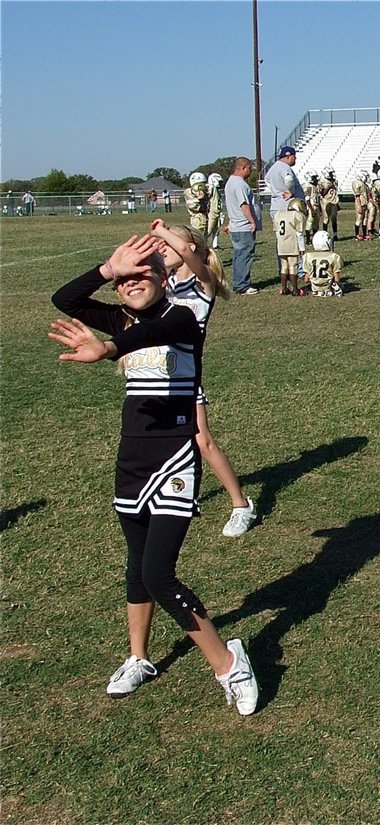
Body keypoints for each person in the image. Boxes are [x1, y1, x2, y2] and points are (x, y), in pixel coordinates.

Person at [48, 233, 259, 714]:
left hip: (174, 459)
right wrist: (108, 269)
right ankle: (139, 657)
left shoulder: (182, 317)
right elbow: (66, 299)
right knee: (136, 565)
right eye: (127, 280)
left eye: (145, 274)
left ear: (165, 278)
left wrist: (107, 350)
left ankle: (229, 663)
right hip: (131, 461)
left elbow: (145, 336)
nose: (133, 284)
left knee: (158, 573)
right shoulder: (122, 312)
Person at [149, 220, 258, 537]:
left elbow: (182, 247)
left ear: (189, 249)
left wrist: (161, 231)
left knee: (203, 441)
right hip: (159, 374)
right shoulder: (165, 284)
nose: (163, 249)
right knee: (162, 439)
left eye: (167, 246)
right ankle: (167, 492)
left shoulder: (202, 282)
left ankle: (241, 505)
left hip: (186, 374)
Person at [224, 157, 260, 295]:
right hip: (243, 226)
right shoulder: (240, 184)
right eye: (250, 168)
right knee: (245, 255)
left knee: (239, 255)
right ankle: (242, 285)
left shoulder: (230, 182)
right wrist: (252, 221)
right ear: (243, 168)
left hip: (235, 224)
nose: (251, 171)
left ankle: (239, 282)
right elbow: (243, 205)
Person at [276, 198, 307, 295]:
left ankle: (284, 288)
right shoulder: (297, 215)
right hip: (291, 242)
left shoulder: (278, 214)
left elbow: (276, 231)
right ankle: (295, 289)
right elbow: (299, 234)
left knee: (284, 266)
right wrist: (302, 248)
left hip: (281, 243)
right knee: (293, 265)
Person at [302, 230, 344, 297]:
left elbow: (306, 280)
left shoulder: (308, 256)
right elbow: (337, 279)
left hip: (314, 288)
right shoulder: (334, 256)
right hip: (328, 287)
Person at [205, 174, 223, 250]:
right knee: (209, 230)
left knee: (216, 229)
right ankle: (202, 245)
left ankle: (215, 245)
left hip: (217, 212)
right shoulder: (210, 187)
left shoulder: (217, 190)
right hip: (212, 212)